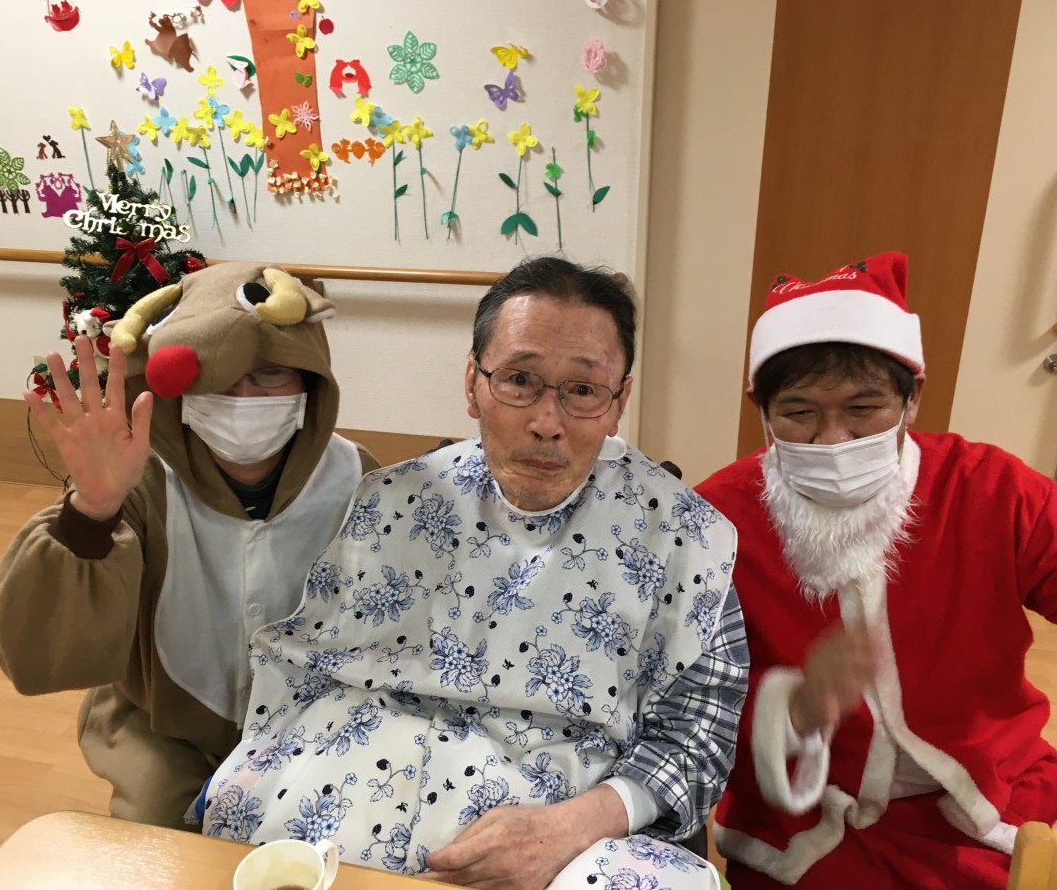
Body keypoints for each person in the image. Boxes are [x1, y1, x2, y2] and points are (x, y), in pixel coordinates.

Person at [197, 257, 748, 889]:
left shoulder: (683, 539)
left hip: (572, 817)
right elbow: (312, 668)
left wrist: (573, 826)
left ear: (619, 400)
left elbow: (699, 736)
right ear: (472, 383)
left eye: (583, 390)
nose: (547, 423)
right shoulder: (395, 501)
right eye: (519, 379)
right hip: (362, 776)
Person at [696, 251, 1057, 888]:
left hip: (997, 801)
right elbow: (685, 703)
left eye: (864, 409)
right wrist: (795, 711)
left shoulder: (993, 491)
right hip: (805, 821)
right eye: (799, 413)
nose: (833, 441)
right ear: (760, 409)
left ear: (913, 399)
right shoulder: (714, 523)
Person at [0, 261, 377, 828]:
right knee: (159, 837)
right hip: (165, 722)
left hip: (315, 718)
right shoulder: (141, 480)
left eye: (270, 374)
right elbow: (37, 656)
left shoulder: (356, 477)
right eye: (218, 377)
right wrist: (92, 512)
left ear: (310, 382)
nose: (243, 396)